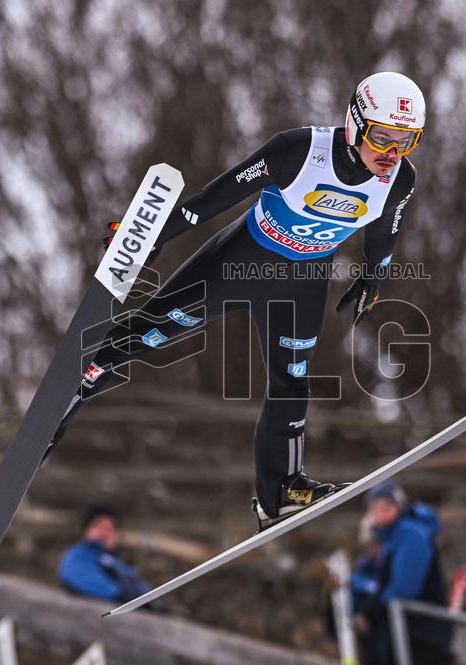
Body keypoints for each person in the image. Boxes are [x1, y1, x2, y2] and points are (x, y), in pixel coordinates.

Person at [48, 72, 424, 526]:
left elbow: (384, 232)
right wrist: (152, 236)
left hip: (302, 282)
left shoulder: (399, 179)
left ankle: (280, 492)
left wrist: (374, 276)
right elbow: (212, 200)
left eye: (406, 141)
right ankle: (83, 379)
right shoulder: (298, 151)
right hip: (240, 262)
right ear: (356, 124)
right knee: (153, 332)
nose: (391, 154)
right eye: (383, 137)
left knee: (293, 382)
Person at [355, 481, 453, 665]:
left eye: (386, 506)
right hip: (406, 636)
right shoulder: (391, 541)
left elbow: (405, 587)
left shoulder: (410, 534)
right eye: (375, 508)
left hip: (422, 637)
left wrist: (371, 611)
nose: (380, 513)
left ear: (398, 507)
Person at [58, 506, 152, 603]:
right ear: (86, 529)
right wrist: (124, 596)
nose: (104, 533)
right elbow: (84, 581)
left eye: (109, 529)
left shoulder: (116, 562)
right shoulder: (77, 556)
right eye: (99, 527)